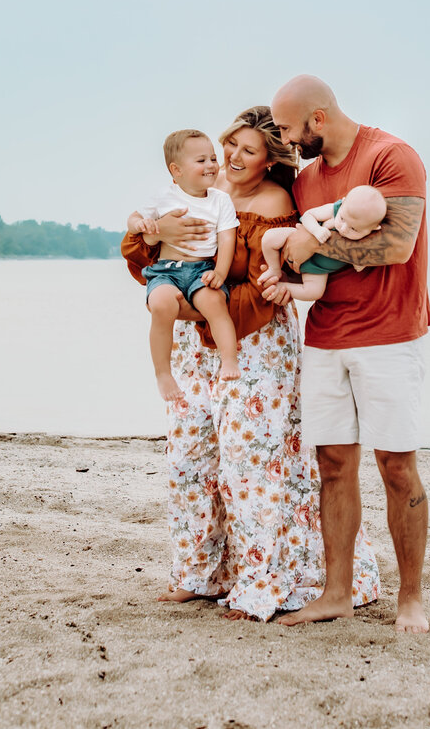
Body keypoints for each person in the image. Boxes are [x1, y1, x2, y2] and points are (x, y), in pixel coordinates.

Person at [122, 105, 380, 621]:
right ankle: (198, 574)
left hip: (255, 345)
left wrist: (194, 306)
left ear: (269, 161)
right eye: (229, 146)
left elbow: (267, 291)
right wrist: (151, 238)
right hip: (195, 346)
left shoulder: (275, 204)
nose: (233, 157)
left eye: (249, 150)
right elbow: (153, 265)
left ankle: (260, 585)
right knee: (190, 459)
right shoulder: (197, 198)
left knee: (250, 466)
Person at [267, 75, 430, 633]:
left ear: (318, 118)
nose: (286, 141)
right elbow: (292, 253)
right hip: (326, 335)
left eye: (289, 128)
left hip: (390, 335)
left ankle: (410, 598)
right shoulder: (306, 180)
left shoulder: (391, 156)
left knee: (397, 467)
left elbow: (397, 243)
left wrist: (317, 243)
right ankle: (336, 594)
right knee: (333, 466)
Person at [127, 129, 240, 401]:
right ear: (176, 170)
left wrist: (220, 272)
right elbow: (133, 218)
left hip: (201, 268)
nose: (211, 165)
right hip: (166, 270)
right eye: (201, 160)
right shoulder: (164, 197)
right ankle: (163, 374)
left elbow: (227, 239)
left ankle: (229, 360)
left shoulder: (220, 200)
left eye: (213, 158)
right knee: (161, 305)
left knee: (215, 303)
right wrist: (140, 225)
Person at [259, 185, 386, 301]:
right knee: (269, 237)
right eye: (342, 219)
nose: (344, 228)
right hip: (297, 238)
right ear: (343, 202)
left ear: (373, 229)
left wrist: (359, 262)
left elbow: (361, 260)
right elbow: (309, 215)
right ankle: (274, 269)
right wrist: (316, 230)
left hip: (317, 269)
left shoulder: (368, 239)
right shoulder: (335, 209)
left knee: (313, 292)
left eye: (354, 229)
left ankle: (280, 287)